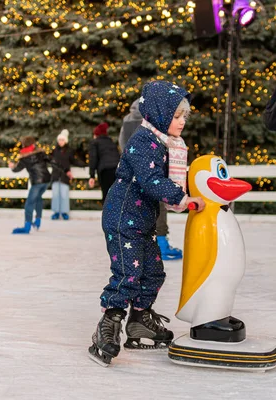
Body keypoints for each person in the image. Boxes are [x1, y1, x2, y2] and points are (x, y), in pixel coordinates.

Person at [88, 80, 205, 366]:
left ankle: (139, 320)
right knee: (128, 273)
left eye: (184, 117)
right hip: (122, 217)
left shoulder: (167, 144)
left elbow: (171, 177)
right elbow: (151, 180)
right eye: (176, 116)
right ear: (160, 113)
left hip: (143, 221)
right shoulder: (143, 141)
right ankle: (107, 325)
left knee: (153, 273)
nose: (181, 122)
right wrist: (184, 198)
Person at [119, 98, 184, 260]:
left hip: (133, 170)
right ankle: (161, 243)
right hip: (154, 168)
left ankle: (140, 246)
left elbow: (122, 143)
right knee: (158, 204)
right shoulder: (152, 120)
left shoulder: (127, 121)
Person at [9, 136, 58, 234]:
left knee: (29, 203)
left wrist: (12, 166)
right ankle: (38, 222)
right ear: (33, 144)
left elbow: (16, 169)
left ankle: (27, 227)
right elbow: (53, 161)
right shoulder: (41, 153)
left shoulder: (24, 158)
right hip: (47, 180)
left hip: (37, 182)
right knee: (38, 198)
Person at [50, 129, 85, 221]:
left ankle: (64, 212)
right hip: (56, 175)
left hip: (65, 177)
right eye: (59, 140)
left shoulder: (69, 151)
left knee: (64, 194)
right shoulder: (54, 151)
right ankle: (56, 212)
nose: (60, 142)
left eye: (62, 140)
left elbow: (73, 161)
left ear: (65, 141)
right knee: (55, 194)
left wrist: (82, 164)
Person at [88, 122, 120, 203]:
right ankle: (117, 214)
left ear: (96, 134)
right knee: (116, 195)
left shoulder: (95, 143)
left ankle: (108, 214)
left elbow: (93, 159)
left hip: (105, 171)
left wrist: (92, 176)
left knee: (106, 195)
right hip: (117, 170)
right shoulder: (111, 142)